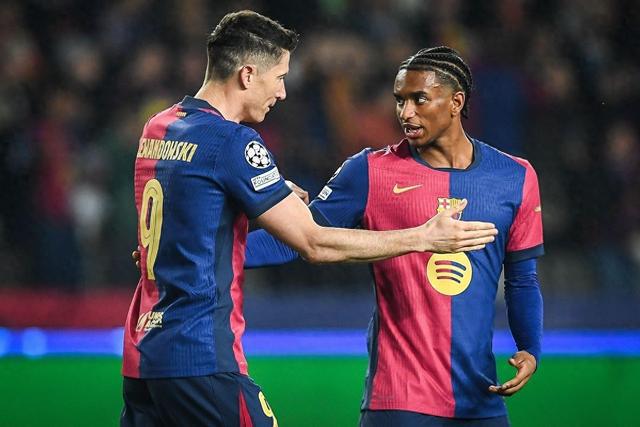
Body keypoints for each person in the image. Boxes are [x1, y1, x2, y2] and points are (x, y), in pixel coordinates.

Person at [121, 12, 498, 427]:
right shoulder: (232, 141)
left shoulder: (159, 127)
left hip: (143, 358)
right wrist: (424, 237)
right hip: (200, 358)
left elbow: (188, 210)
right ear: (248, 74)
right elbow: (314, 243)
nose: (282, 92)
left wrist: (261, 194)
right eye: (279, 77)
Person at [244, 46, 544, 426]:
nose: (405, 112)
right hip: (399, 400)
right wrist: (209, 251)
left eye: (419, 99)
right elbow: (297, 238)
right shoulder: (369, 172)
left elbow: (522, 279)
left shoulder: (515, 177)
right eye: (400, 100)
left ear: (456, 102)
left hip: (480, 401)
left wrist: (529, 347)